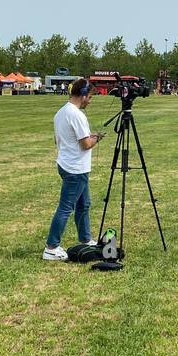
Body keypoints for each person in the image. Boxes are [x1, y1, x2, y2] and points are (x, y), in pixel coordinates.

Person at [43, 78, 106, 261]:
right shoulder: (77, 115)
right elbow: (85, 144)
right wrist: (96, 138)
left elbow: (60, 139)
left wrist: (89, 136)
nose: (90, 101)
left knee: (83, 204)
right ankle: (51, 247)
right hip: (75, 169)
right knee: (66, 208)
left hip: (66, 164)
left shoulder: (61, 112)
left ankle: (85, 239)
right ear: (83, 95)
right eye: (90, 97)